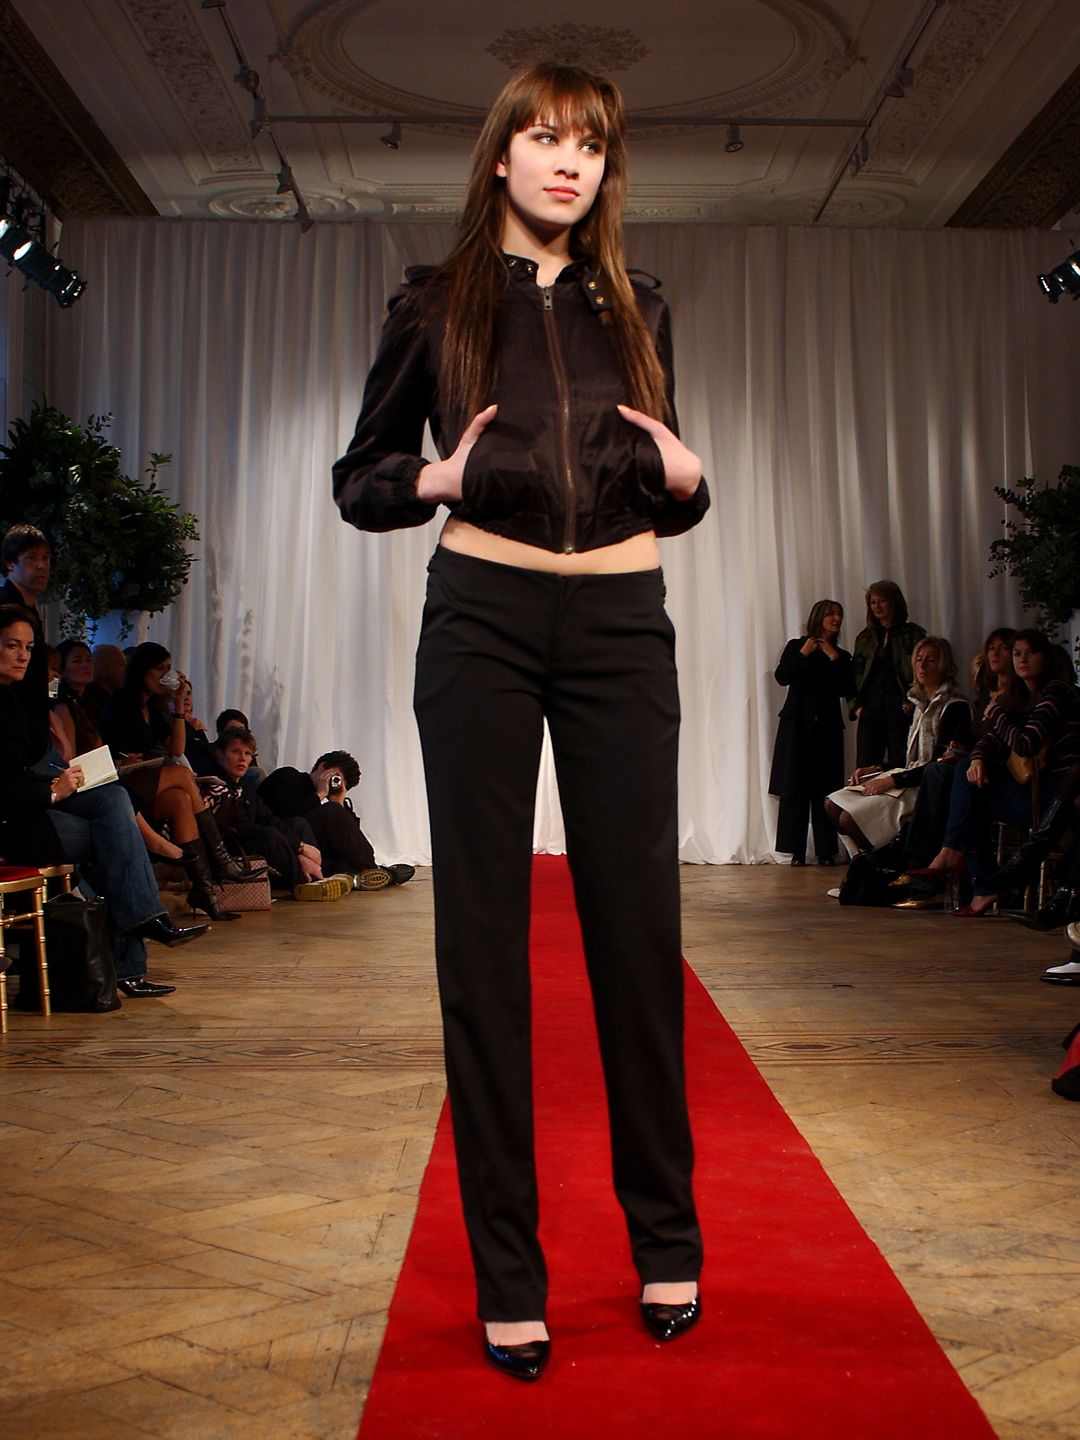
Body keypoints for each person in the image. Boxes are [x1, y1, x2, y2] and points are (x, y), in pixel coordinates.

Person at [333, 62, 709, 1379]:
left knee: (636, 936)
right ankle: (512, 1273)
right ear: (500, 156)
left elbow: (666, 478)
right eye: (544, 139)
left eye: (590, 146)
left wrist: (693, 476)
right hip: (480, 619)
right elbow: (361, 477)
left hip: (620, 626)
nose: (567, 163)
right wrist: (427, 476)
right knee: (483, 949)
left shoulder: (639, 302)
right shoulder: (434, 305)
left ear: (607, 171)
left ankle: (667, 1240)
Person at [0, 605, 207, 997]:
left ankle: (140, 937)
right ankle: (138, 943)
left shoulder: (17, 699)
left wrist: (59, 770)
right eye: (12, 646)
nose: (23, 656)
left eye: (28, 647)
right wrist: (52, 789)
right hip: (14, 820)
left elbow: (35, 758)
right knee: (114, 838)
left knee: (113, 800)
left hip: (37, 804)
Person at [920, 629, 1080, 916]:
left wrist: (995, 713)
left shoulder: (1056, 692)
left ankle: (970, 871)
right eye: (1017, 653)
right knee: (967, 779)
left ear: (1046, 656)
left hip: (1058, 793)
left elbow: (1025, 743)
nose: (1022, 660)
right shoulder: (1022, 697)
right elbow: (991, 738)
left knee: (969, 794)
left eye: (1030, 653)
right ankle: (974, 874)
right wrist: (978, 758)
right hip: (1036, 789)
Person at [100, 643, 258, 919]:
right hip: (121, 781)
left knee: (181, 800)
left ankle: (204, 892)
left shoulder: (157, 705)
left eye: (168, 668)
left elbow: (176, 750)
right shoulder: (121, 702)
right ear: (143, 670)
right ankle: (221, 861)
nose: (165, 674)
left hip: (151, 779)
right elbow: (107, 747)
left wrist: (178, 709)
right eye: (160, 668)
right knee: (183, 775)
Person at [825, 636, 971, 857]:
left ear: (943, 665)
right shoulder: (917, 704)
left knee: (848, 817)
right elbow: (908, 757)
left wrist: (892, 780)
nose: (922, 665)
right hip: (908, 775)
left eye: (930, 660)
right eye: (919, 659)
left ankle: (879, 866)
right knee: (832, 804)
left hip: (925, 785)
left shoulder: (954, 707)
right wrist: (876, 768)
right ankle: (867, 866)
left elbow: (939, 765)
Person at [205, 726, 353, 901]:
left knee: (297, 824)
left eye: (247, 754)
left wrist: (300, 847)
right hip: (233, 845)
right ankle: (303, 883)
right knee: (270, 835)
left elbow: (269, 817)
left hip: (259, 839)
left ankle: (316, 878)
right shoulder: (216, 784)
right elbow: (244, 827)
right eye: (235, 752)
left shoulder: (244, 786)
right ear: (220, 754)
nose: (242, 759)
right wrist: (300, 848)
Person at [768, 599, 854, 866]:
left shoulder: (841, 656)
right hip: (797, 726)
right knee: (794, 786)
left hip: (827, 728)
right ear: (819, 617)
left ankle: (826, 851)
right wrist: (804, 653)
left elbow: (847, 687)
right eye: (831, 614)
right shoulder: (797, 646)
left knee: (826, 787)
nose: (836, 618)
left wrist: (834, 657)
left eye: (839, 614)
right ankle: (795, 851)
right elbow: (782, 676)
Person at [257, 751, 413, 889]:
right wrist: (320, 795)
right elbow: (281, 813)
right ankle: (373, 870)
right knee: (332, 813)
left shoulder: (323, 802)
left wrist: (338, 802)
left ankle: (360, 877)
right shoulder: (289, 776)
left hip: (309, 853)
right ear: (322, 766)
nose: (333, 784)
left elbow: (350, 840)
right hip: (278, 840)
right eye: (335, 778)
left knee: (341, 854)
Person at [850, 581, 926, 770]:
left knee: (900, 764)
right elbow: (854, 676)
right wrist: (856, 707)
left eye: (881, 601)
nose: (877, 606)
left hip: (901, 708)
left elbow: (924, 672)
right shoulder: (865, 638)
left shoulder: (914, 634)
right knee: (864, 767)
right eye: (873, 602)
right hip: (871, 708)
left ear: (894, 602)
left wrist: (914, 703)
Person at [0, 524, 53, 757]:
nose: (42, 565)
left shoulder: (29, 608)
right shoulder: (6, 609)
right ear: (10, 563)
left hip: (32, 731)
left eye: (46, 558)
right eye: (31, 558)